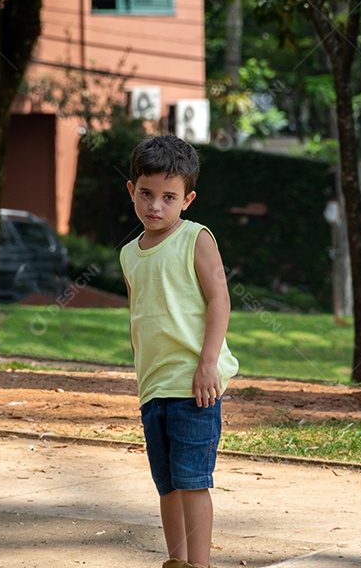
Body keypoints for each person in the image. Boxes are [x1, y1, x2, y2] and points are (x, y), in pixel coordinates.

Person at [119, 134, 239, 568]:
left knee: (192, 482)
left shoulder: (195, 238)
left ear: (187, 199)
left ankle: (200, 564)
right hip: (155, 388)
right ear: (132, 190)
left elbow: (219, 299)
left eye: (168, 197)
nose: (156, 206)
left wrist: (208, 363)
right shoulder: (129, 254)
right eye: (147, 194)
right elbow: (142, 318)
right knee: (167, 486)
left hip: (194, 387)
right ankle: (177, 562)